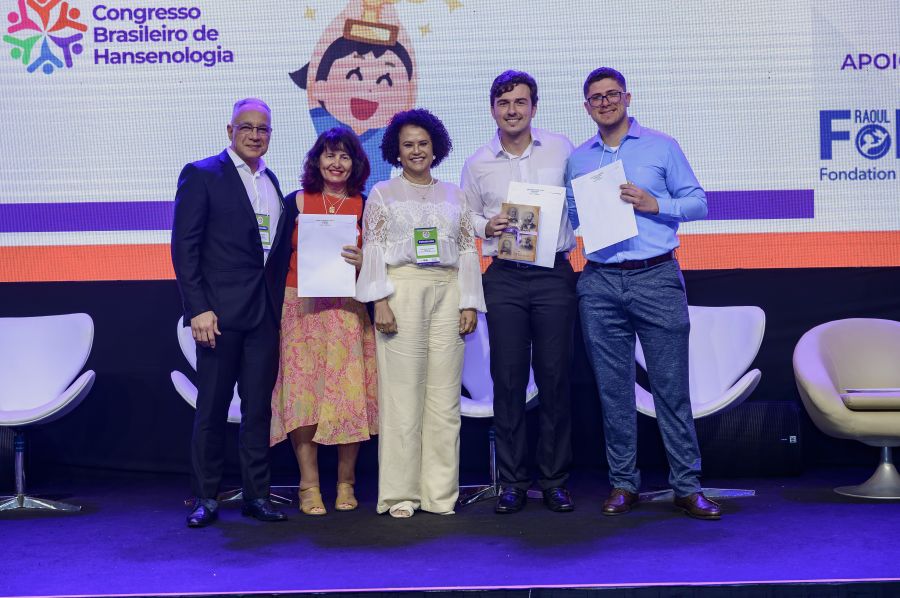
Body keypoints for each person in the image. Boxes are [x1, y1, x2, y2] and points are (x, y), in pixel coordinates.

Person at [565, 67, 720, 520]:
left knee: (671, 389)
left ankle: (687, 486)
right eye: (596, 97)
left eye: (612, 94)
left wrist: (657, 204)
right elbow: (572, 216)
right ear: (587, 107)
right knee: (613, 392)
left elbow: (699, 202)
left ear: (628, 98)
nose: (605, 102)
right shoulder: (578, 159)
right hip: (600, 281)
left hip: (656, 277)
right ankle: (623, 483)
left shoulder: (662, 146)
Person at [356, 108, 486, 518]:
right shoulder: (383, 194)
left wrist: (469, 302)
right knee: (402, 398)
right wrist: (379, 300)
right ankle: (400, 495)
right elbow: (373, 249)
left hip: (449, 290)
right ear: (396, 151)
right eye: (408, 144)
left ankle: (439, 495)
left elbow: (467, 250)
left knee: (445, 400)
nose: (416, 150)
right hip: (402, 290)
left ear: (436, 147)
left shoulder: (455, 195)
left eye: (423, 143)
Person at [460, 70, 577, 514]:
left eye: (520, 102)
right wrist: (484, 226)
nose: (512, 111)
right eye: (504, 103)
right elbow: (465, 217)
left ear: (534, 107)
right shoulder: (477, 163)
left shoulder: (561, 149)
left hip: (553, 275)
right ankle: (512, 482)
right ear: (493, 109)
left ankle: (555, 481)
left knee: (555, 378)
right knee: (507, 381)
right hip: (504, 276)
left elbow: (581, 200)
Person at [172, 98, 290, 528]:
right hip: (218, 317)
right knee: (213, 410)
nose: (255, 135)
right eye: (247, 127)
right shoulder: (202, 174)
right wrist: (198, 308)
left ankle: (257, 496)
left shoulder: (272, 180)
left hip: (264, 316)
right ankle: (206, 497)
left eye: (263, 129)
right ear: (230, 130)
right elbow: (184, 248)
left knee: (257, 411)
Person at [270, 127, 378, 516]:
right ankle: (309, 485)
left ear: (356, 164)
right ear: (317, 161)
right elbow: (276, 258)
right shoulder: (296, 201)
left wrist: (367, 262)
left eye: (345, 156)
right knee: (303, 397)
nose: (336, 163)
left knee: (349, 397)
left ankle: (346, 483)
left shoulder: (366, 205)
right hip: (299, 308)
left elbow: (381, 261)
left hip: (347, 309)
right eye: (329, 155)